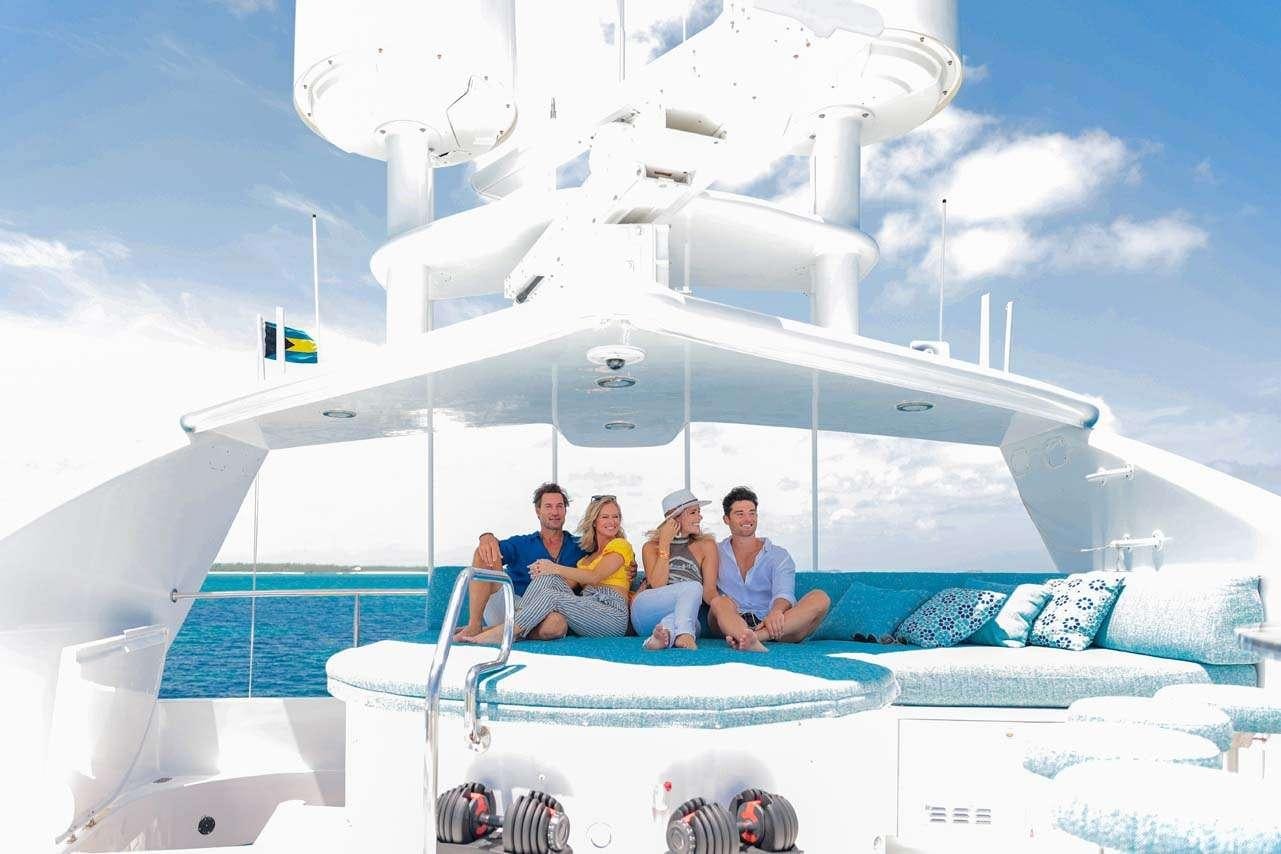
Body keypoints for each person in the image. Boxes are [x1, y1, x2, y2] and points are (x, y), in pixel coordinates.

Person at [462, 495, 634, 643]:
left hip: (612, 613)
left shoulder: (620, 545)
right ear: (594, 521)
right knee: (548, 579)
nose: (612, 522)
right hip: (588, 606)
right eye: (605, 517)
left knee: (552, 591)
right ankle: (508, 620)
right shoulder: (587, 555)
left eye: (616, 517)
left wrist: (553, 567)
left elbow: (595, 576)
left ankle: (502, 632)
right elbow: (564, 582)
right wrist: (545, 572)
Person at [453, 483, 586, 642]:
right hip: (511, 606)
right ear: (538, 511)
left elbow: (599, 568)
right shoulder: (522, 543)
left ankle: (506, 631)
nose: (555, 512)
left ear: (565, 510)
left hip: (546, 614)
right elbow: (488, 549)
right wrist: (486, 537)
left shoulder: (580, 546)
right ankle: (475, 626)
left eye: (560, 506)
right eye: (548, 506)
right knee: (485, 553)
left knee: (557, 624)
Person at [710, 486, 831, 650]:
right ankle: (743, 635)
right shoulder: (714, 552)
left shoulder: (778, 555)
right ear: (726, 519)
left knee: (821, 597)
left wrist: (776, 611)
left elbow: (784, 593)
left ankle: (754, 638)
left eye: (752, 513)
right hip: (729, 621)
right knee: (719, 602)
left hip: (772, 623)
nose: (748, 519)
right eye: (740, 514)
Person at [631, 488, 720, 651]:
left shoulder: (707, 546)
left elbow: (709, 591)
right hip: (646, 609)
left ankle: (660, 637)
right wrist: (665, 543)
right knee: (693, 588)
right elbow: (657, 584)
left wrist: (725, 607)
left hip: (682, 615)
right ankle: (683, 634)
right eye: (693, 512)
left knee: (694, 624)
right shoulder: (651, 547)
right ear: (674, 518)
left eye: (699, 512)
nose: (700, 517)